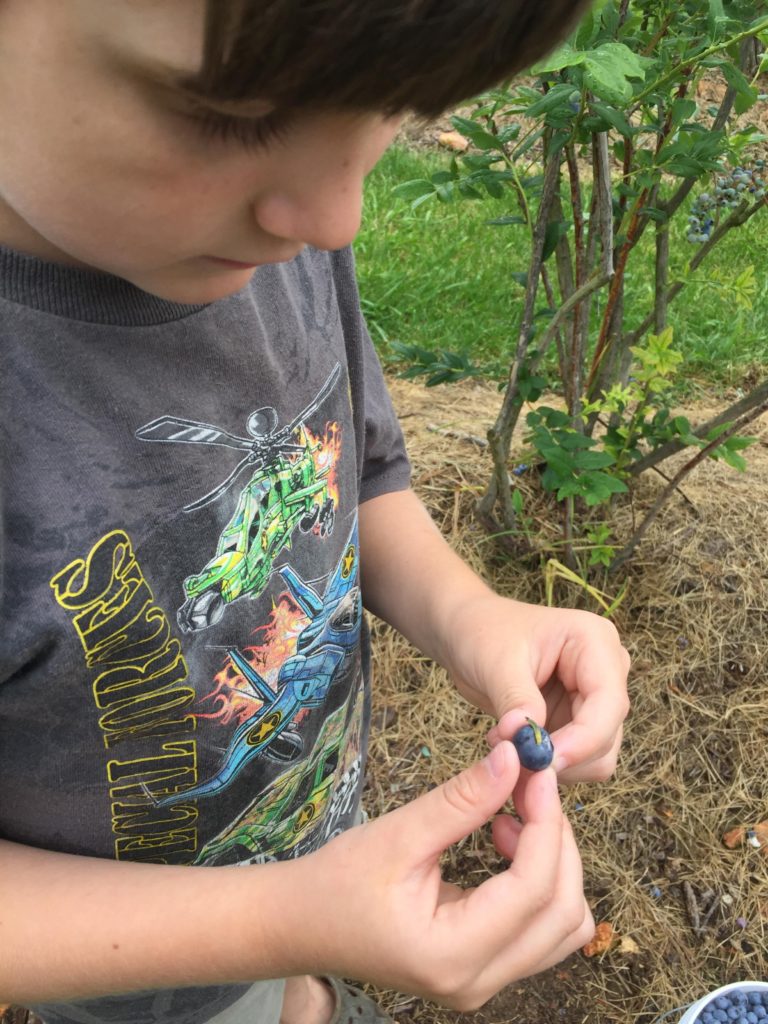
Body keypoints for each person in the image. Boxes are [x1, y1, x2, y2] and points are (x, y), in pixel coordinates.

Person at [0, 3, 631, 1024]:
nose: (339, 219)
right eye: (231, 115)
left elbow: (358, 471)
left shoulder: (261, 232)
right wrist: (281, 920)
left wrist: (471, 616)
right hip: (139, 976)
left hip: (313, 845)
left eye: (392, 112)